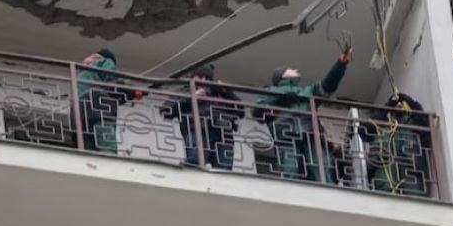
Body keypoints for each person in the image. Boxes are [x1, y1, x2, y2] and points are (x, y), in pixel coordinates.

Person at [255, 47, 352, 183]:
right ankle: (291, 193)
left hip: (310, 134)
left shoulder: (306, 91)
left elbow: (326, 86)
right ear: (282, 75)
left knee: (321, 167)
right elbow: (257, 112)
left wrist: (340, 65)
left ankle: (327, 191)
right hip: (285, 134)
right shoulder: (270, 91)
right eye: (291, 69)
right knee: (290, 168)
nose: (295, 70)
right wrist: (283, 97)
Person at [160, 63, 243, 170]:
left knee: (224, 170)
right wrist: (192, 98)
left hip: (223, 134)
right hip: (197, 131)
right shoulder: (185, 91)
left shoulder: (219, 92)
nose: (203, 80)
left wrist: (226, 91)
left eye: (207, 78)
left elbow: (241, 111)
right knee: (195, 163)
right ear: (192, 78)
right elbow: (166, 111)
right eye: (200, 77)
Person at [358, 92, 433, 198]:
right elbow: (363, 130)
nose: (399, 106)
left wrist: (412, 103)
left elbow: (426, 131)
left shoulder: (412, 121)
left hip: (410, 165)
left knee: (415, 197)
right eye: (397, 104)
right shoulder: (383, 122)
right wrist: (387, 107)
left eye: (401, 104)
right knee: (385, 195)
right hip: (383, 163)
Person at [76, 49, 142, 153]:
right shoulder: (106, 61)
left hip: (79, 113)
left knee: (88, 150)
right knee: (108, 145)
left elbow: (112, 95)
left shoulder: (83, 70)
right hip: (98, 108)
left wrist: (131, 94)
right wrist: (134, 91)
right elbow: (112, 84)